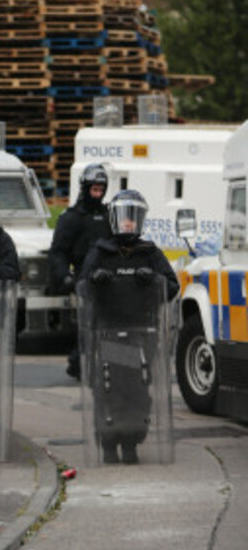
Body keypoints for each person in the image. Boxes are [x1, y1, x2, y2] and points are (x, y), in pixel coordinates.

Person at [80, 190, 180, 464]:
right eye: (123, 218)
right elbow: (82, 287)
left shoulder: (149, 252)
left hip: (142, 335)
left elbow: (172, 287)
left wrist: (155, 279)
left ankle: (132, 442)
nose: (127, 224)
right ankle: (110, 443)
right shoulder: (100, 251)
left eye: (132, 218)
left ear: (140, 220)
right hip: (109, 333)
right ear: (114, 219)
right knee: (110, 390)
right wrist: (94, 280)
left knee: (137, 392)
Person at [48, 163, 112, 379]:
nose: (98, 193)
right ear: (85, 188)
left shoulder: (109, 216)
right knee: (89, 324)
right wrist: (65, 276)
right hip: (84, 279)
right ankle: (79, 362)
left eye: (101, 189)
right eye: (94, 189)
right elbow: (57, 252)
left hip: (110, 278)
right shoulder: (71, 218)